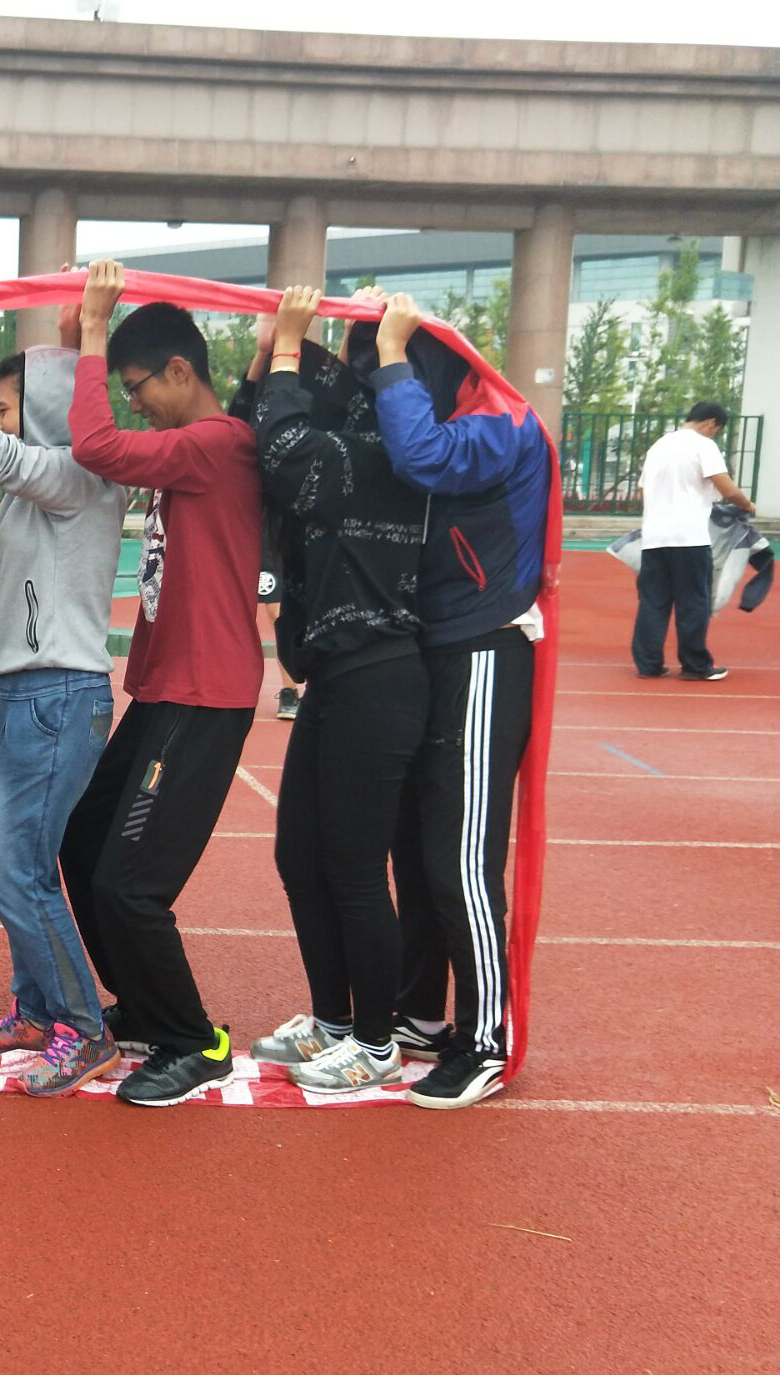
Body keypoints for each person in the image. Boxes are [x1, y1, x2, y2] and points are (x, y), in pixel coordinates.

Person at [56, 259, 265, 1108]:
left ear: (180, 371)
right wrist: (80, 340)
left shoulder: (215, 445)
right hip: (166, 691)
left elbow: (96, 447)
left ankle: (195, 1039)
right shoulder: (204, 445)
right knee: (82, 844)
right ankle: (145, 1005)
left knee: (129, 884)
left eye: (138, 387)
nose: (133, 402)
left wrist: (94, 334)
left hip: (203, 695)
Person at [0, 283, 128, 1096]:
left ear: (40, 411)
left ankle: (83, 1026)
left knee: (15, 873)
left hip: (57, 696)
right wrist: (65, 344)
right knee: (20, 865)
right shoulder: (42, 481)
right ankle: (39, 1009)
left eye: (9, 408)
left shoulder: (78, 473)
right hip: (30, 695)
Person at [233, 286, 429, 1093]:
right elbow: (253, 433)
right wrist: (267, 354)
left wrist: (288, 343)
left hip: (379, 675)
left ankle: (377, 1046)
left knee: (352, 867)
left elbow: (282, 444)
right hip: (339, 676)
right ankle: (336, 1023)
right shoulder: (347, 442)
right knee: (300, 854)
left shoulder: (370, 455)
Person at [363, 291, 552, 1109]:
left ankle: (485, 1040)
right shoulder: (461, 412)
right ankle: (419, 1011)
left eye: (396, 366)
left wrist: (392, 352)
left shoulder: (502, 421)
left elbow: (422, 458)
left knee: (460, 857)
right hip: (436, 647)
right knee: (414, 846)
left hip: (485, 650)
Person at [631, 401, 755, 682]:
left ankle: (648, 664)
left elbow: (642, 491)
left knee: (653, 601)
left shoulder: (659, 446)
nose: (714, 434)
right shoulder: (704, 446)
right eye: (716, 430)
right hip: (689, 538)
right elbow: (726, 488)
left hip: (654, 538)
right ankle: (694, 665)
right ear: (711, 423)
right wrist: (747, 505)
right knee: (693, 602)